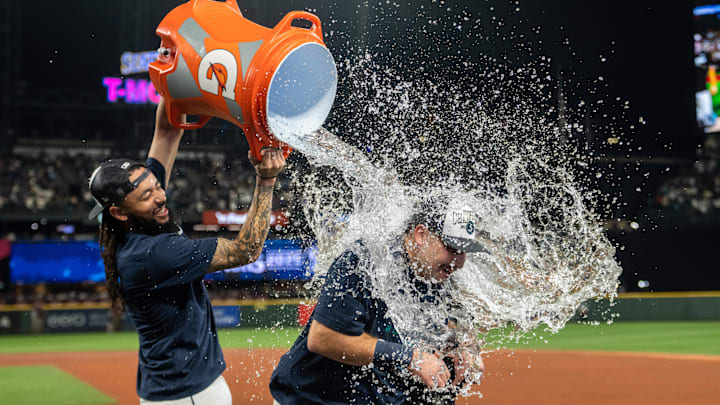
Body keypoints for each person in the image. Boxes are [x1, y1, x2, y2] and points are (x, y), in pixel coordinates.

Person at [88, 98, 286, 404]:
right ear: (119, 213)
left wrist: (178, 79)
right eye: (147, 195)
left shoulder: (141, 219)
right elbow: (244, 251)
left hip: (174, 392)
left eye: (156, 185)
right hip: (190, 395)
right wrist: (266, 180)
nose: (160, 195)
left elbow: (167, 130)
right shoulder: (152, 253)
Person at [269, 200, 486, 404]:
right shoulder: (364, 261)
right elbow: (322, 339)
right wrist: (411, 357)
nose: (458, 262)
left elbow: (457, 323)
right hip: (311, 398)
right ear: (420, 235)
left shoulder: (440, 277)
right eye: (452, 248)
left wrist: (468, 347)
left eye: (464, 252)